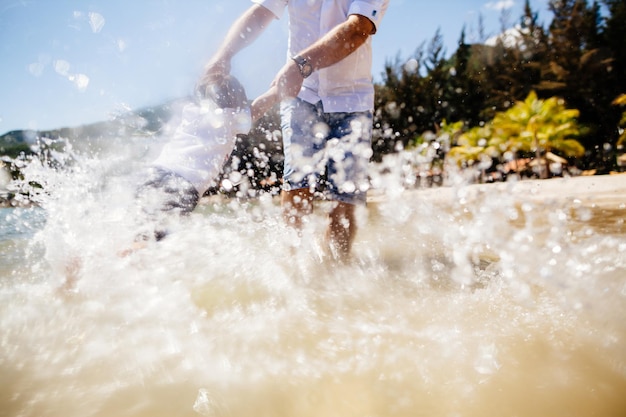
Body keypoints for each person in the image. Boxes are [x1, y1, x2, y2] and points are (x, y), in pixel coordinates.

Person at [198, 0, 389, 261]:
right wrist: (223, 56)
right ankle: (293, 264)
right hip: (302, 95)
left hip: (353, 98)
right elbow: (261, 12)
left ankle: (338, 269)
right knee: (297, 181)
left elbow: (358, 28)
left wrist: (301, 64)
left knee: (347, 195)